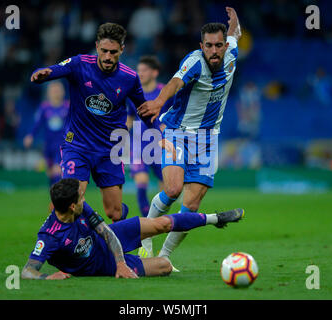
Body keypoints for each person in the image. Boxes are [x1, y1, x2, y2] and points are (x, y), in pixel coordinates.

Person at [30, 23, 169, 223]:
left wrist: (158, 135)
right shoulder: (79, 64)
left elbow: (144, 111)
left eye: (113, 52)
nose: (107, 57)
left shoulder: (129, 78)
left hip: (110, 151)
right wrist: (43, 74)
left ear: (121, 49)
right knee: (72, 199)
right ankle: (71, 246)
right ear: (97, 47)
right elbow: (54, 70)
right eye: (104, 51)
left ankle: (118, 221)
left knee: (114, 213)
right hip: (77, 145)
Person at [137, 7, 242, 268]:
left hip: (208, 139)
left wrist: (234, 22)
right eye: (209, 46)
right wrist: (159, 101)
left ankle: (165, 257)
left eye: (219, 45)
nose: (215, 51)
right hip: (178, 133)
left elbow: (234, 34)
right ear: (201, 46)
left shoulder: (231, 53)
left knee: (192, 204)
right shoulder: (194, 61)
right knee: (172, 189)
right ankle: (145, 236)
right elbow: (174, 83)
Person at [21, 178, 244, 279]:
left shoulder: (80, 208)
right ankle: (136, 252)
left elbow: (106, 232)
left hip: (109, 239)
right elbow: (27, 271)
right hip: (101, 265)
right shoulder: (49, 237)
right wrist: (46, 278)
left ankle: (217, 218)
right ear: (71, 206)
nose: (84, 199)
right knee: (165, 266)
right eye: (80, 198)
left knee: (163, 223)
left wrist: (121, 263)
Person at [126, 56, 172, 218]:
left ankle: (156, 220)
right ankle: (147, 222)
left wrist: (169, 128)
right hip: (139, 146)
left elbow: (174, 113)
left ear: (154, 72)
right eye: (139, 71)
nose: (140, 74)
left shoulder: (164, 91)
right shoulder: (134, 93)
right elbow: (130, 116)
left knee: (166, 189)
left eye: (144, 70)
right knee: (141, 182)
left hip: (160, 145)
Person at [23, 81, 69, 187]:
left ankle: (60, 201)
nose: (56, 93)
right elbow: (37, 124)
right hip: (48, 147)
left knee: (58, 172)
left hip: (62, 146)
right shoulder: (44, 108)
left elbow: (74, 126)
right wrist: (30, 136)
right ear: (48, 93)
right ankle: (55, 201)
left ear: (63, 92)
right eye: (53, 90)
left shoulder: (67, 107)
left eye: (58, 90)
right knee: (51, 175)